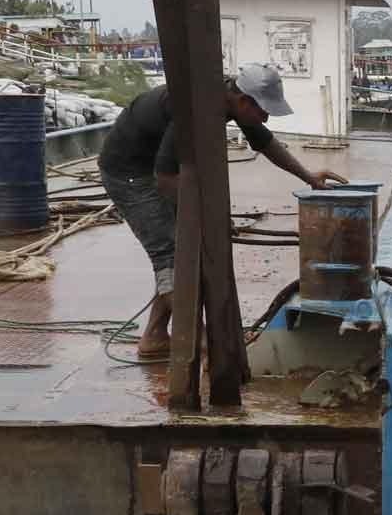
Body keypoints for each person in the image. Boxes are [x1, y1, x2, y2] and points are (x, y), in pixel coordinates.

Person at [98, 63, 341, 359]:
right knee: (170, 251)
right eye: (263, 111)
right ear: (242, 101)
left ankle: (155, 337)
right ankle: (201, 342)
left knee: (181, 251)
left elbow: (264, 142)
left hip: (155, 166)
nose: (264, 118)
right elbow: (165, 179)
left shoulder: (233, 99)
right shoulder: (195, 109)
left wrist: (309, 177)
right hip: (130, 172)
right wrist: (208, 215)